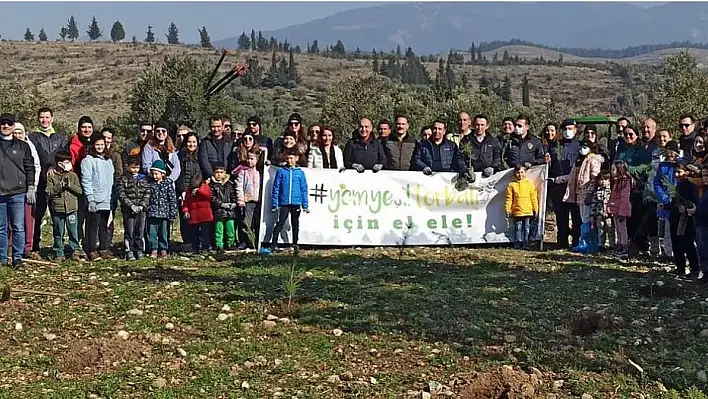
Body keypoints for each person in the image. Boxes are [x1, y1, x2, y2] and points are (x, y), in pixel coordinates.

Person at [28, 107, 67, 257]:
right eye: (42, 118)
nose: (44, 120)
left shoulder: (60, 138)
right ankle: (34, 247)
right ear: (38, 119)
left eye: (47, 117)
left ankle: (58, 248)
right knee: (36, 216)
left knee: (57, 216)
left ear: (52, 118)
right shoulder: (33, 137)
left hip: (56, 183)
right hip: (40, 182)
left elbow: (64, 157)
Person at [0, 114, 36, 269]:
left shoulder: (23, 146)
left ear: (14, 126)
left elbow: (30, 167)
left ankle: (17, 258)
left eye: (9, 123)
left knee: (18, 226)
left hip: (17, 192)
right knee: (0, 228)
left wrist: (31, 187)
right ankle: (2, 258)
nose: (6, 126)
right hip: (0, 192)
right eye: (3, 123)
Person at [267, 149, 309, 253]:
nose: (289, 160)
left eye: (291, 158)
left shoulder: (300, 173)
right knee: (280, 223)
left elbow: (304, 189)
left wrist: (305, 204)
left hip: (296, 203)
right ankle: (274, 243)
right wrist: (275, 203)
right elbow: (276, 187)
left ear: (296, 159)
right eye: (288, 158)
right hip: (284, 203)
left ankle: (295, 243)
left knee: (295, 224)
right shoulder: (281, 171)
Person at [80, 133, 115, 261]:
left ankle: (103, 248)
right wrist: (90, 198)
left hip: (106, 198)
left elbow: (111, 180)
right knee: (92, 225)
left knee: (103, 225)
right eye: (97, 144)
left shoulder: (108, 161)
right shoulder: (88, 161)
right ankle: (92, 249)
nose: (100, 147)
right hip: (94, 199)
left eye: (102, 144)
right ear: (93, 146)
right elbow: (86, 180)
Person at [547, 119, 581, 249]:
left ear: (575, 130)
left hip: (574, 187)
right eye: (566, 128)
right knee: (561, 217)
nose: (568, 131)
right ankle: (562, 243)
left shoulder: (579, 145)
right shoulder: (555, 145)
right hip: (558, 187)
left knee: (576, 217)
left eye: (571, 128)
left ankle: (576, 242)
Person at [45, 150, 83, 262]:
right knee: (58, 231)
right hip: (58, 209)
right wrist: (59, 186)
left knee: (73, 231)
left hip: (72, 209)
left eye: (69, 161)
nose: (68, 164)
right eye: (65, 162)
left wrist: (69, 186)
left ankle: (75, 250)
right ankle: (58, 252)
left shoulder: (73, 176)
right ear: (59, 163)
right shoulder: (52, 176)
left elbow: (79, 191)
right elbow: (49, 192)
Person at [11, 122, 41, 260]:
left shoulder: (29, 147)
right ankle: (11, 247)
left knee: (28, 219)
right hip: (10, 189)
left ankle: (27, 247)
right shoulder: (6, 146)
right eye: (15, 132)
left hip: (27, 187)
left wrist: (32, 187)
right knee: (12, 221)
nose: (17, 135)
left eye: (20, 132)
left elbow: (35, 166)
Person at [117, 157, 151, 261]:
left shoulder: (144, 179)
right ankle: (129, 250)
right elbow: (121, 194)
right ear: (128, 167)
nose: (135, 170)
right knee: (129, 231)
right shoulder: (124, 179)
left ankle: (139, 250)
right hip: (129, 210)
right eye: (133, 167)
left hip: (141, 210)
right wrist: (131, 205)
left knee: (140, 231)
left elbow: (147, 193)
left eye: (137, 167)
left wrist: (142, 206)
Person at [669, 164, 699, 278]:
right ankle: (680, 267)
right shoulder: (676, 186)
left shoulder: (691, 186)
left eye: (679, 172)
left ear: (686, 172)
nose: (677, 175)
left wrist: (685, 208)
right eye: (675, 172)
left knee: (688, 245)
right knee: (676, 244)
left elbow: (695, 202)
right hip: (675, 219)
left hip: (686, 220)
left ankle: (694, 268)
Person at [69, 116, 95, 243]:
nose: (86, 129)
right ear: (79, 129)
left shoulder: (96, 143)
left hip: (94, 185)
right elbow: (72, 165)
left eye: (89, 127)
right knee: (79, 215)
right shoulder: (73, 145)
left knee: (92, 216)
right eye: (84, 127)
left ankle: (90, 242)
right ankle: (78, 242)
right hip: (79, 184)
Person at [654, 140, 680, 262]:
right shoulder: (663, 165)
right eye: (668, 152)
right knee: (667, 229)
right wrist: (664, 198)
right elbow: (657, 182)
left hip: (679, 201)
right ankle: (669, 253)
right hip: (666, 202)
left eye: (672, 153)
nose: (670, 155)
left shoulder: (680, 165)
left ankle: (680, 253)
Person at [146, 160, 177, 258]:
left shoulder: (168, 185)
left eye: (156, 173)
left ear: (162, 174)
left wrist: (173, 212)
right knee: (152, 233)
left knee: (164, 233)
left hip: (164, 213)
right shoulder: (150, 185)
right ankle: (154, 249)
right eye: (153, 173)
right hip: (153, 213)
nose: (154, 176)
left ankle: (163, 249)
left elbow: (172, 199)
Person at [505, 164, 539, 250]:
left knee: (527, 227)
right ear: (514, 174)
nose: (520, 174)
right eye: (518, 172)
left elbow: (533, 197)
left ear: (525, 173)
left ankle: (526, 243)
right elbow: (509, 199)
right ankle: (517, 243)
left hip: (528, 210)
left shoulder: (529, 184)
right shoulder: (511, 185)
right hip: (517, 211)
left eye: (522, 172)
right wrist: (507, 209)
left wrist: (536, 209)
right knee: (518, 227)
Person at [234, 148, 263, 250]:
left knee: (257, 222)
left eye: (252, 159)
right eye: (248, 158)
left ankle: (255, 241)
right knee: (246, 222)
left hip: (258, 201)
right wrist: (240, 199)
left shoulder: (261, 172)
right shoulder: (243, 172)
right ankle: (245, 241)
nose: (249, 161)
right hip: (248, 201)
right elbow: (239, 186)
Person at [458, 114, 502, 178]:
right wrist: (465, 170)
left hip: (488, 177)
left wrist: (493, 168)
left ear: (487, 126)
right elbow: (460, 158)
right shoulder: (466, 140)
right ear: (473, 125)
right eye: (477, 125)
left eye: (482, 125)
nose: (479, 127)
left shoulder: (493, 140)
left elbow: (497, 157)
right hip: (471, 176)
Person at [176, 132, 200, 245]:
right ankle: (187, 242)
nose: (191, 144)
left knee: (196, 217)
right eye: (189, 142)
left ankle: (196, 241)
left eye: (194, 142)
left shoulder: (200, 155)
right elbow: (179, 174)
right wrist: (182, 190)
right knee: (185, 217)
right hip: (184, 191)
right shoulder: (180, 156)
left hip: (197, 190)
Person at [181, 171, 213, 254]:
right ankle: (196, 248)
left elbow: (208, 196)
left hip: (205, 215)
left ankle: (206, 247)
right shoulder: (189, 190)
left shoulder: (205, 186)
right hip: (193, 215)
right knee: (194, 233)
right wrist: (185, 211)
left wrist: (199, 191)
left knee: (204, 233)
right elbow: (186, 202)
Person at [209, 162, 238, 251]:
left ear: (225, 172)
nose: (219, 174)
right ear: (213, 173)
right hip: (219, 211)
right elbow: (212, 197)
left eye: (221, 172)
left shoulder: (229, 184)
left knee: (230, 229)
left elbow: (233, 195)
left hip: (230, 211)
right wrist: (221, 204)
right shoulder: (212, 185)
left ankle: (230, 244)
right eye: (217, 172)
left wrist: (234, 203)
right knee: (219, 230)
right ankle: (219, 245)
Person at [607, 160, 634, 258]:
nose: (611, 171)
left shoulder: (625, 181)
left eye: (613, 169)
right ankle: (619, 244)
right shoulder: (616, 181)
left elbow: (625, 198)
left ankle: (624, 245)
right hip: (615, 208)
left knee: (622, 228)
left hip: (621, 209)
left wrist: (623, 212)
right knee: (617, 228)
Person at [101, 127, 123, 243]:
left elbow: (119, 173)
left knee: (109, 217)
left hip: (111, 191)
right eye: (104, 137)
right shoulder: (95, 153)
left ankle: (107, 242)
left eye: (109, 138)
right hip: (98, 191)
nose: (106, 140)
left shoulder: (115, 156)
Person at [591, 171, 614, 251]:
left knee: (610, 229)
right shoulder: (597, 191)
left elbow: (613, 203)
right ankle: (601, 245)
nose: (603, 182)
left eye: (605, 179)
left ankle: (612, 245)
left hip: (609, 215)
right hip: (599, 214)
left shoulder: (611, 191)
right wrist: (593, 215)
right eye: (601, 180)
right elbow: (594, 204)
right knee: (601, 230)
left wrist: (611, 212)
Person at [695, 164, 708, 282]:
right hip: (700, 222)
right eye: (703, 175)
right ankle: (704, 273)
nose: (705, 178)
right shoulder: (703, 190)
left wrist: (696, 211)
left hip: (705, 223)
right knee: (702, 250)